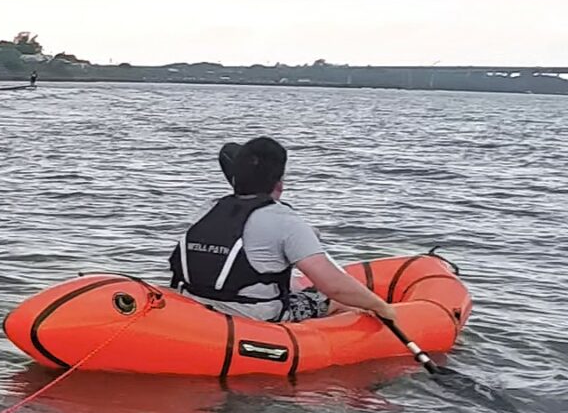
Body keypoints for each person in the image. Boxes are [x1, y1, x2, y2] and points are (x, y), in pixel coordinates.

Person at [169, 136, 404, 327]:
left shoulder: (208, 208)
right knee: (334, 301)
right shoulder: (285, 221)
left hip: (195, 305)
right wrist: (380, 307)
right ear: (279, 183)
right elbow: (334, 286)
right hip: (252, 317)